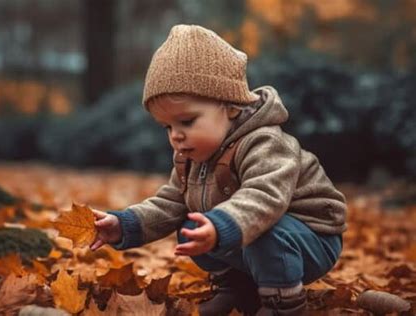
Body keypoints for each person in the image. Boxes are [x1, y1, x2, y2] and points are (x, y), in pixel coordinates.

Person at [90, 24, 346, 316]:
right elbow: (171, 202)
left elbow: (265, 196)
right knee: (191, 227)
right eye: (167, 126)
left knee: (259, 231)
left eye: (186, 121)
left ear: (231, 107)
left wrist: (223, 224)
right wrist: (126, 224)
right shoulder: (192, 156)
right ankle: (236, 287)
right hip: (250, 237)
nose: (175, 135)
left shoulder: (265, 142)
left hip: (309, 237)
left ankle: (283, 302)